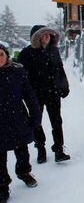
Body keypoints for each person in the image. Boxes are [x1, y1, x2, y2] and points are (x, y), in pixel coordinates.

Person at [18, 25, 71, 164]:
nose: (47, 36)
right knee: (36, 122)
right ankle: (40, 148)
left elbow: (60, 69)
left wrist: (64, 86)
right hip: (35, 94)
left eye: (49, 34)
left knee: (56, 121)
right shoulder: (26, 53)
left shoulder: (54, 51)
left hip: (53, 92)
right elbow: (22, 76)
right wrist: (24, 92)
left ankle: (59, 149)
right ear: (36, 37)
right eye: (44, 34)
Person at [0, 44, 41, 202]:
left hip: (17, 119)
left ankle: (24, 172)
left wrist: (35, 117)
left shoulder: (17, 73)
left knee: (22, 149)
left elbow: (30, 97)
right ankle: (2, 186)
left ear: (7, 56)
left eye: (1, 54)